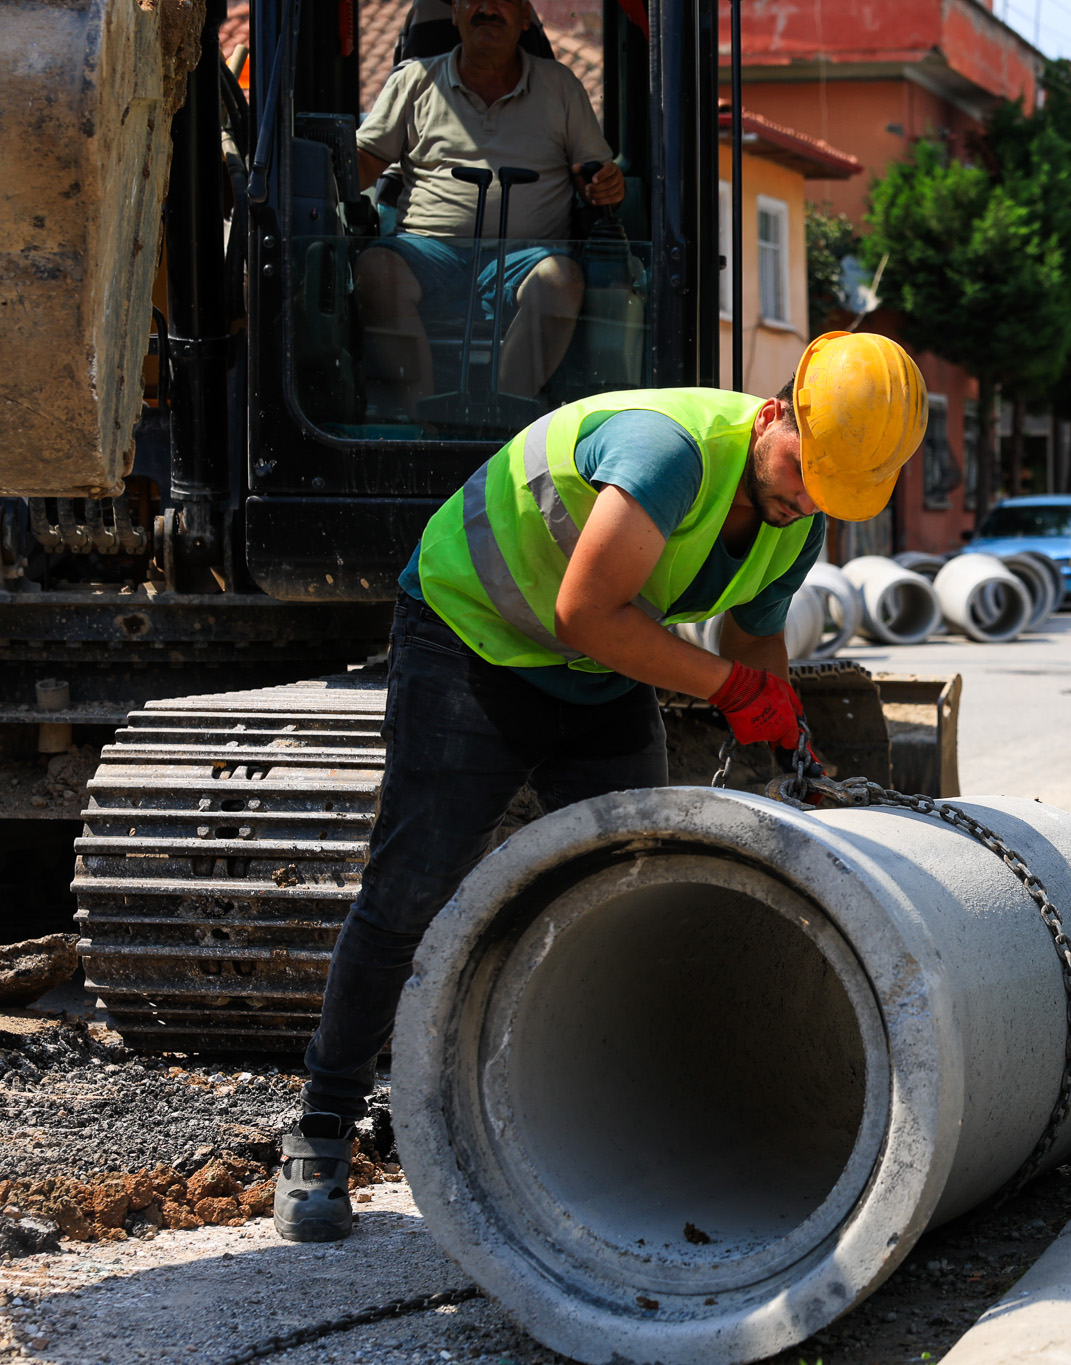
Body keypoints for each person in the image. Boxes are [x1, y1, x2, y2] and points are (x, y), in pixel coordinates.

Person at [271, 332, 928, 1242]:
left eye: (832, 492)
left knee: (639, 891)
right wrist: (731, 690)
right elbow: (585, 611)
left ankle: (622, 1118)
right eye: (804, 471)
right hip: (473, 641)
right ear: (777, 414)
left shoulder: (796, 521)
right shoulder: (669, 454)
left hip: (597, 671)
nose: (808, 498)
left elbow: (750, 640)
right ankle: (322, 1129)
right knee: (409, 890)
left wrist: (779, 722)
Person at [353, 0, 625, 415]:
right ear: (454, 13)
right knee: (375, 269)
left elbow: (594, 179)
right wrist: (321, 158)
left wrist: (605, 186)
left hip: (527, 257)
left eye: (503, 0)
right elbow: (361, 165)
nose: (487, 8)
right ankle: (423, 425)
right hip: (426, 253)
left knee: (561, 279)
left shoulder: (561, 86)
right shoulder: (413, 81)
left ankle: (503, 419)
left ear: (524, 17)